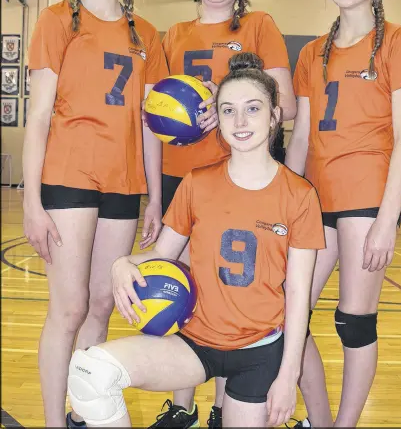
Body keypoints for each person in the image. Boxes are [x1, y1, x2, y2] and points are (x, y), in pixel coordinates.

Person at [66, 52, 325, 429]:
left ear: (273, 117)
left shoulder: (300, 195)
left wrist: (288, 377)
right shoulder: (197, 183)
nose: (240, 121)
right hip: (194, 344)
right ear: (216, 120)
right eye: (228, 110)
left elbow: (299, 295)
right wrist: (122, 263)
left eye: (253, 109)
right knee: (90, 372)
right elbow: (162, 255)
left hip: (258, 352)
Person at [22, 0, 168, 427]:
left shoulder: (146, 32)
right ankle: (53, 421)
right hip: (68, 179)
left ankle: (84, 409)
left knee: (103, 303)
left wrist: (154, 195)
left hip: (124, 183)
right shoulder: (57, 20)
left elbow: (152, 122)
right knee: (68, 309)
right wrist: (31, 202)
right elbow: (39, 116)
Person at [154, 0, 296, 426]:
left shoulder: (259, 26)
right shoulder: (172, 35)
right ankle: (180, 406)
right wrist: (155, 197)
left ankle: (221, 408)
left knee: (224, 293)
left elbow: (289, 105)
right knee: (180, 290)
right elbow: (154, 116)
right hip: (182, 181)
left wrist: (224, 99)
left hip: (239, 183)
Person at [285, 0, 401, 428]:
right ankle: (319, 421)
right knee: (286, 315)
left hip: (367, 198)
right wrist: (284, 205)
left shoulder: (399, 41)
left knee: (354, 321)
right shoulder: (312, 54)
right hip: (314, 200)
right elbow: (299, 137)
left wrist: (387, 222)